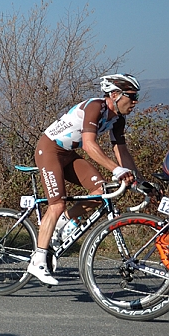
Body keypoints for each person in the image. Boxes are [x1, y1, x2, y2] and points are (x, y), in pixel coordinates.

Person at [28, 74, 142, 286]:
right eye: (132, 96)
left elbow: (121, 150)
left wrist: (138, 179)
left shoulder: (118, 118)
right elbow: (89, 145)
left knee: (101, 192)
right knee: (57, 204)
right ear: (115, 95)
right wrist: (117, 170)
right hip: (50, 150)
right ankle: (38, 260)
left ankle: (61, 224)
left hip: (69, 154)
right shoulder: (96, 107)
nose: (135, 102)